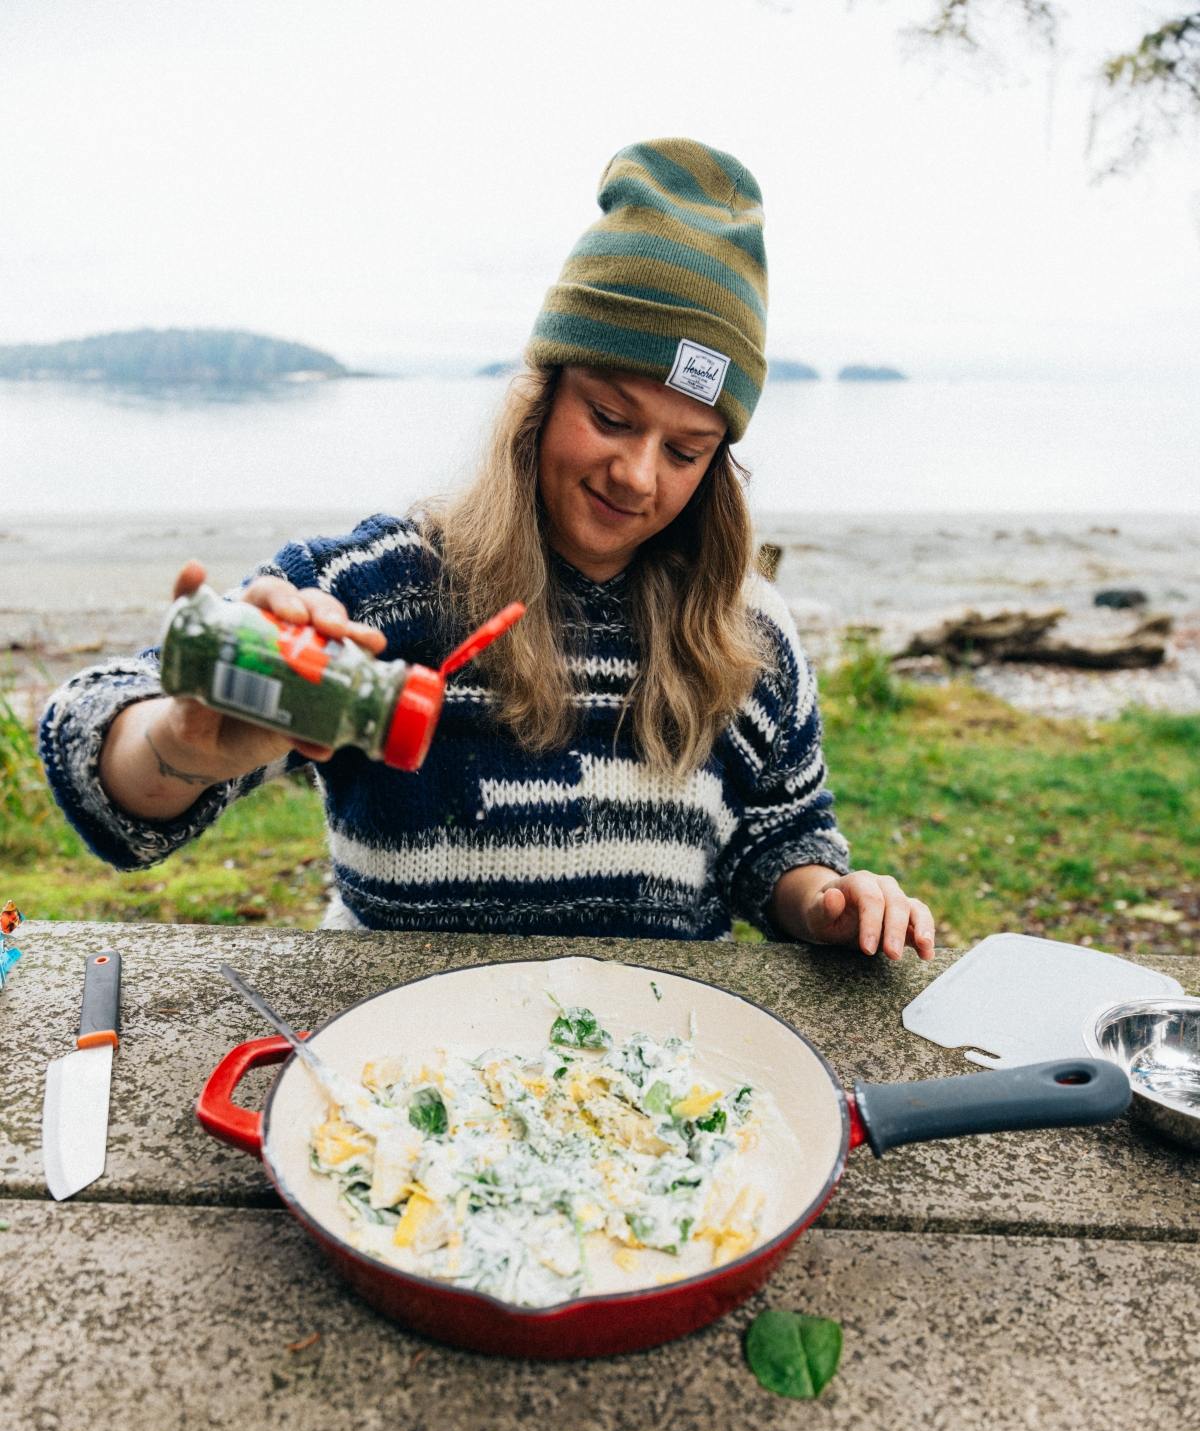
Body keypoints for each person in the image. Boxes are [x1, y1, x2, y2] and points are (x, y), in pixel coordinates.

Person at [40, 137, 934, 960]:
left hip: (653, 1082)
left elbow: (781, 836)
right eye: (611, 417)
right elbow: (97, 751)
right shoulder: (373, 595)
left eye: (685, 450)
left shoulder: (751, 637)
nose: (637, 475)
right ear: (539, 396)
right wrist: (179, 745)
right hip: (401, 1077)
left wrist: (825, 898)